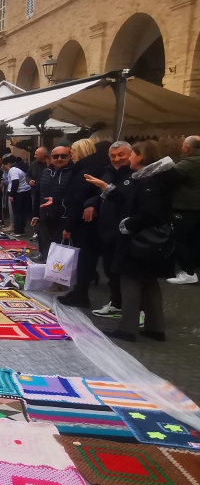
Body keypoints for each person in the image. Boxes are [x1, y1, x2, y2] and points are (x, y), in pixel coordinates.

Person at [85, 140, 174, 342]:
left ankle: (127, 329)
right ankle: (155, 328)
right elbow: (128, 199)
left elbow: (149, 213)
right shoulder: (150, 179)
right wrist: (104, 187)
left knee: (131, 284)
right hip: (148, 242)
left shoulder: (148, 182)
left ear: (140, 156)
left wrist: (127, 225)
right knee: (150, 284)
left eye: (132, 154)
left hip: (140, 242)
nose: (129, 159)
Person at [58, 138, 107, 307]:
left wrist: (68, 227)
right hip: (91, 222)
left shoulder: (83, 171)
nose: (70, 154)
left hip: (83, 223)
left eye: (72, 151)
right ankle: (79, 291)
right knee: (87, 258)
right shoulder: (95, 169)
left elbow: (78, 200)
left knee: (83, 258)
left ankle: (80, 294)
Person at [91, 141, 133, 317]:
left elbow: (127, 201)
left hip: (126, 232)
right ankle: (116, 302)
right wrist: (90, 204)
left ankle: (135, 309)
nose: (117, 159)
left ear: (131, 155)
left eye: (121, 155)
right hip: (106, 230)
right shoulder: (106, 173)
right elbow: (98, 196)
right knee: (110, 270)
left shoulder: (136, 175)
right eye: (113, 156)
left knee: (128, 274)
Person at [167, 135, 200, 284]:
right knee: (194, 239)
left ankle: (188, 272)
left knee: (179, 239)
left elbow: (168, 177)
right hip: (196, 208)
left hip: (186, 207)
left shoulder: (189, 162)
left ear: (187, 148)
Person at [32, 145, 74, 260]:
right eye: (56, 156)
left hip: (62, 216)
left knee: (59, 247)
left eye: (63, 156)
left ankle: (56, 269)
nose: (59, 158)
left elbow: (73, 196)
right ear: (51, 158)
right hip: (44, 214)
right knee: (44, 240)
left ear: (69, 157)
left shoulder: (73, 173)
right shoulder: (45, 171)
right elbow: (38, 193)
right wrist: (36, 214)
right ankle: (44, 258)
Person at [3, 155, 32, 235]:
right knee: (22, 212)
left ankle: (18, 231)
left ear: (8, 164)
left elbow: (15, 182)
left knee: (17, 212)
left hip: (19, 193)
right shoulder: (18, 169)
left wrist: (12, 194)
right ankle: (21, 230)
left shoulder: (13, 170)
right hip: (25, 191)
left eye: (4, 165)